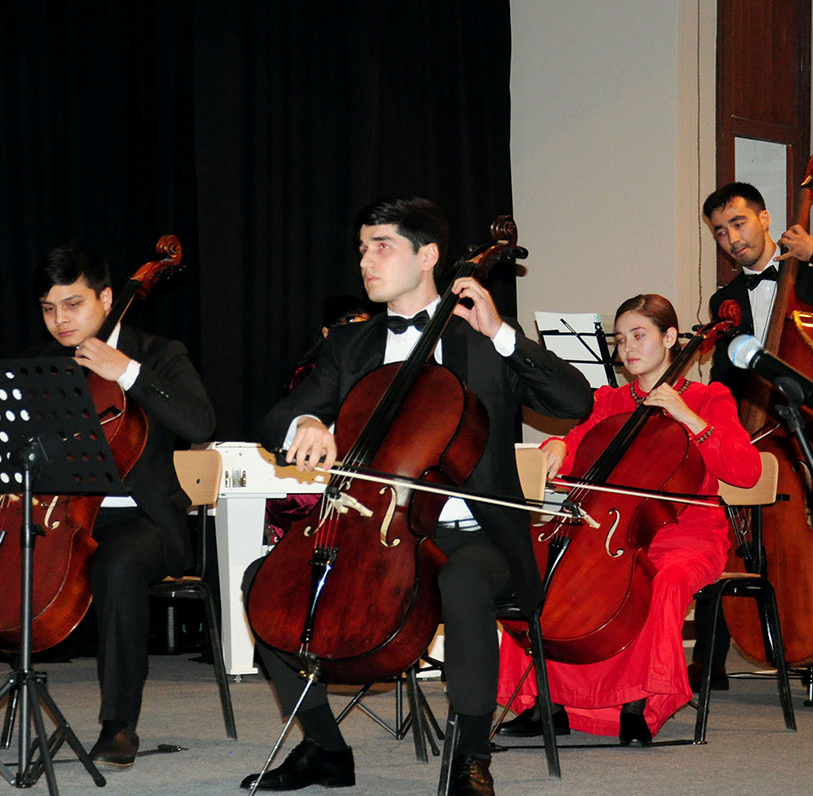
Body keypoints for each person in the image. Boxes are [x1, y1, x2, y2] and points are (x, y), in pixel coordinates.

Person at [241, 197, 593, 795]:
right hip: (373, 533)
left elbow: (574, 402)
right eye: (362, 248)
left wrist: (503, 334)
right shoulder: (350, 346)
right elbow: (276, 419)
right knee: (263, 582)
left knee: (464, 581)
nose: (366, 261)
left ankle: (471, 755)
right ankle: (325, 749)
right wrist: (306, 423)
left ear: (427, 256)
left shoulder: (482, 337)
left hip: (478, 535)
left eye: (382, 246)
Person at [0, 244, 215, 768]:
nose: (60, 320)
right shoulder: (36, 365)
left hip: (138, 517)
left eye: (73, 305)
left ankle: (118, 725)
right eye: (49, 308)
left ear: (107, 298)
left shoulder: (157, 354)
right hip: (50, 516)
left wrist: (127, 371)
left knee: (118, 564)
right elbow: (8, 442)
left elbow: (200, 423)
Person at [495, 293, 761, 744]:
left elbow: (746, 471)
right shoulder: (611, 400)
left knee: (661, 580)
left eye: (639, 335)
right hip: (613, 531)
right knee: (543, 572)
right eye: (620, 340)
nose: (627, 348)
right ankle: (547, 703)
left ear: (670, 338)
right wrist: (558, 445)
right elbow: (578, 443)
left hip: (689, 533)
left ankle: (638, 703)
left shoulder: (708, 398)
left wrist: (688, 417)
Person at [693, 182, 813, 695]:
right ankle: (708, 658)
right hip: (756, 435)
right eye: (720, 232)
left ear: (765, 218)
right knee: (722, 527)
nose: (732, 239)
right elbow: (727, 378)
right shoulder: (726, 300)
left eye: (738, 223)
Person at [265, 295, 371, 543]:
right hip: (310, 477)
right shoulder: (309, 374)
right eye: (352, 323)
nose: (359, 333)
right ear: (327, 333)